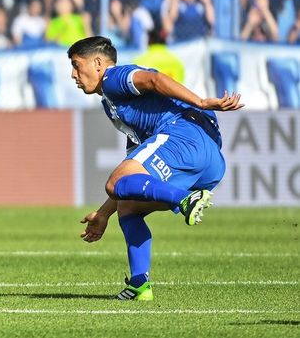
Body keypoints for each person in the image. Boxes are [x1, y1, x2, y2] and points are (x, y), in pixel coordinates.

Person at [68, 36, 243, 301]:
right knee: (126, 204)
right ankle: (140, 284)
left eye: (76, 65)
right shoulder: (117, 106)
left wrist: (202, 102)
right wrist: (104, 214)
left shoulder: (113, 78)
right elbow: (132, 173)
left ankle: (185, 199)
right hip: (209, 161)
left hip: (183, 136)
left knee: (114, 183)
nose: (73, 75)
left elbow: (154, 79)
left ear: (98, 63)